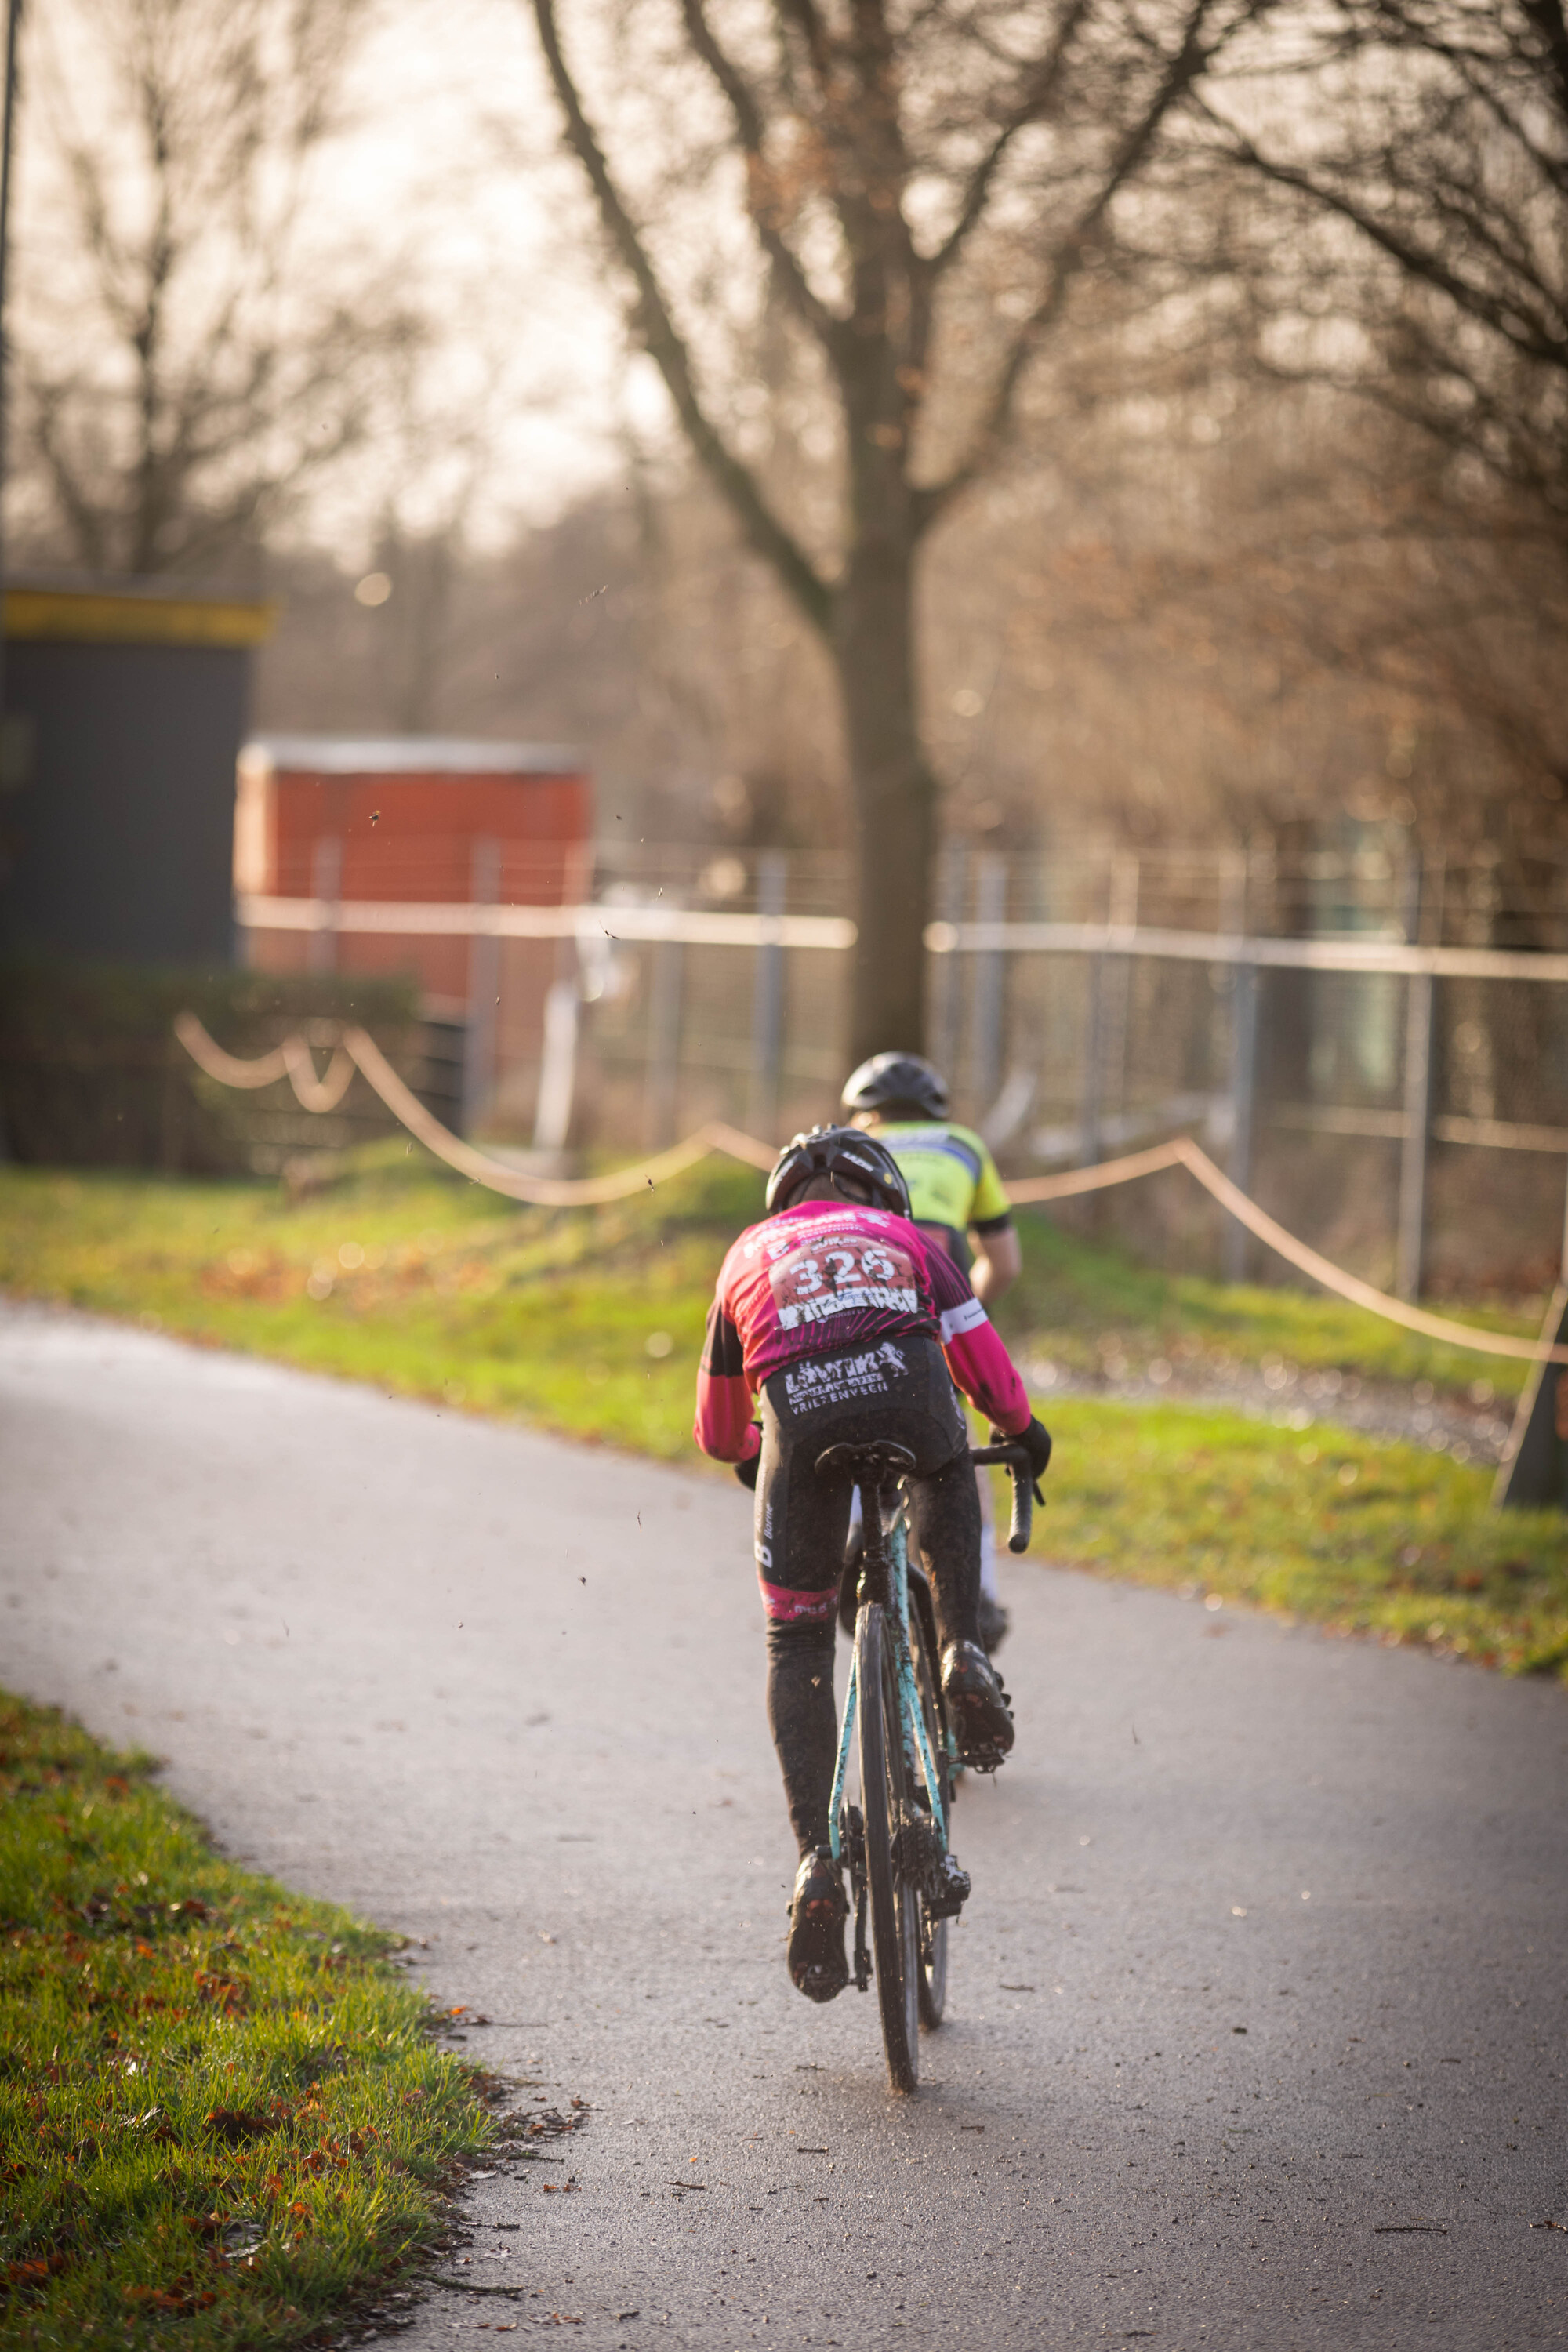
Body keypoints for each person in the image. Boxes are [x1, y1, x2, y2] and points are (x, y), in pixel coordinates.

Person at [694, 1124, 1051, 2005]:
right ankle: (960, 1650)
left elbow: (714, 1428)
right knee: (943, 1458)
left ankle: (817, 1860)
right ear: (880, 1192)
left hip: (801, 1431)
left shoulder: (745, 1253)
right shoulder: (910, 1243)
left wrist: (755, 1454)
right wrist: (1023, 1433)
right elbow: (983, 1366)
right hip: (909, 1394)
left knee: (797, 1643)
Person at [840, 1051, 1022, 1651]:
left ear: (865, 1114)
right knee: (961, 1443)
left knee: (846, 1409)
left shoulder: (845, 1148)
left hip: (856, 1315)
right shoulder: (963, 1145)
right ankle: (984, 1595)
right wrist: (968, 1315)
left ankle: (855, 1530)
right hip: (935, 1312)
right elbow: (1006, 1261)